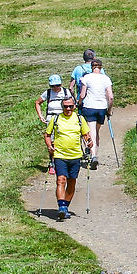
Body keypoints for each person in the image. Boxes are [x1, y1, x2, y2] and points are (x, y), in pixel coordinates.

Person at [43, 89, 87, 219]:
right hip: (60, 155)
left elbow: (86, 134)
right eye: (66, 106)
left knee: (72, 182)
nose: (68, 109)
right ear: (62, 107)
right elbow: (47, 134)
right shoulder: (56, 119)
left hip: (75, 155)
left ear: (74, 107)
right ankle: (61, 207)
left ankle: (66, 206)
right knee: (60, 180)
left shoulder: (79, 119)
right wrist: (49, 146)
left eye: (71, 106)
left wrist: (89, 142)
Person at [78, 55, 115, 167]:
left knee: (91, 131)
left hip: (89, 106)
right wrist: (109, 110)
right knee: (96, 132)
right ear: (101, 67)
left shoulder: (87, 78)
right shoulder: (106, 78)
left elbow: (82, 94)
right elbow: (111, 97)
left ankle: (93, 154)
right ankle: (95, 153)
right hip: (101, 108)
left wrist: (79, 102)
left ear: (91, 67)